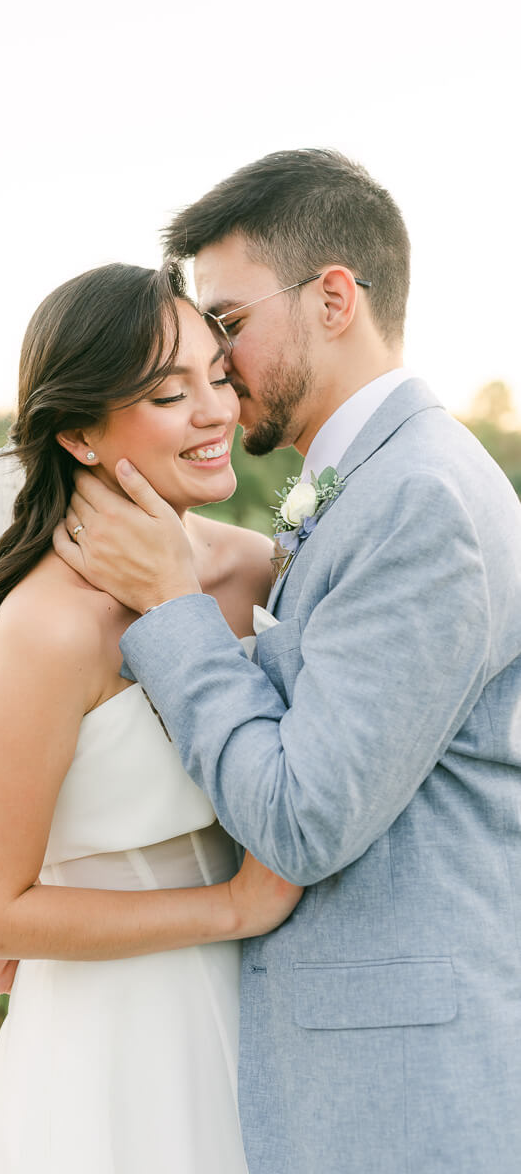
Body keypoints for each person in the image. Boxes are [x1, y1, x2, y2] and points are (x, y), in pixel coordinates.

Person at [54, 150, 521, 1173]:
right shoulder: (375, 482)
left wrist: (173, 605)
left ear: (335, 298)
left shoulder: (421, 500)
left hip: (403, 1105)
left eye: (225, 324)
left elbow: (305, 819)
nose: (216, 369)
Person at [0, 261, 302, 1174]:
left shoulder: (257, 568)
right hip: (107, 1056)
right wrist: (232, 908)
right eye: (171, 393)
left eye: (218, 375)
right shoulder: (51, 629)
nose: (215, 412)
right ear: (81, 436)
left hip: (271, 1027)